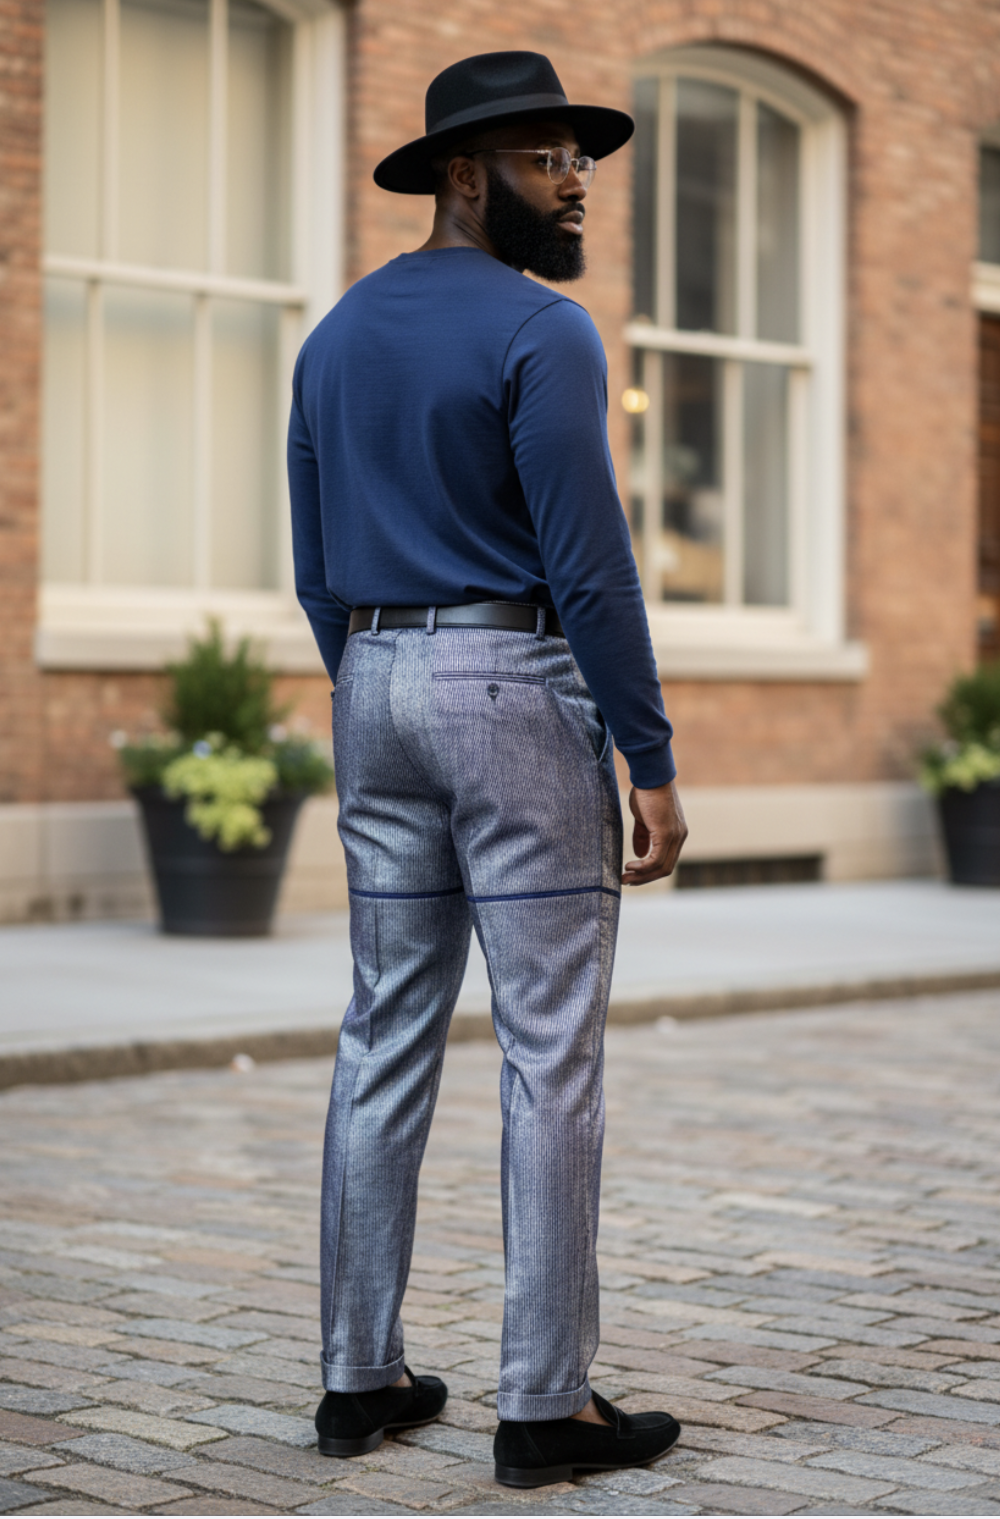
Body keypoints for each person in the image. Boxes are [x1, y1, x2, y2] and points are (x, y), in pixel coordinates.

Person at [288, 49, 688, 1490]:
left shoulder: (332, 336)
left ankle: (359, 1377)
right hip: (513, 688)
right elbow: (590, 568)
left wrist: (377, 679)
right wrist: (647, 754)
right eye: (541, 156)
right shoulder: (546, 330)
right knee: (549, 1048)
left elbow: (314, 562)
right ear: (463, 172)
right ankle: (543, 1406)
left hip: (375, 682)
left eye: (579, 156)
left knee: (382, 1029)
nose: (574, 177)